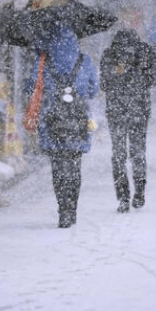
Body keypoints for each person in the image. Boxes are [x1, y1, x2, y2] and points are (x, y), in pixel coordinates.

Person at [26, 23, 99, 228]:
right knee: (75, 165)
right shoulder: (85, 61)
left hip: (52, 119)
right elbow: (93, 89)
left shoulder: (44, 61)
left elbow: (32, 87)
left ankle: (62, 209)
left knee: (58, 166)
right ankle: (72, 208)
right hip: (78, 119)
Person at [100, 28, 156, 213]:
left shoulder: (109, 54)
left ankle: (123, 197)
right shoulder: (145, 52)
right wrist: (139, 76)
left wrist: (119, 74)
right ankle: (139, 192)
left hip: (116, 110)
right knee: (138, 153)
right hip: (139, 110)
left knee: (118, 154)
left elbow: (103, 83)